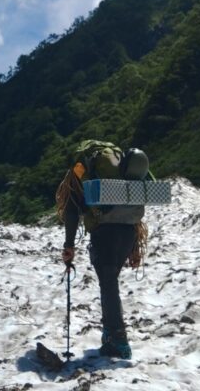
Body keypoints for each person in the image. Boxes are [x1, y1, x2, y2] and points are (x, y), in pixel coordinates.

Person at [59, 146, 149, 360]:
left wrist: (69, 245)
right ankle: (110, 336)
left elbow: (71, 210)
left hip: (105, 233)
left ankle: (118, 339)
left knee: (108, 284)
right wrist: (135, 246)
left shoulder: (81, 169)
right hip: (128, 233)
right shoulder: (118, 169)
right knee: (110, 283)